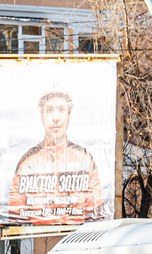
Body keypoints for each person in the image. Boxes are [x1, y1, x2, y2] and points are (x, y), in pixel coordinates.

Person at [7, 90, 108, 224]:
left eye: (61, 110)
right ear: (42, 117)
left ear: (68, 115)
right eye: (49, 110)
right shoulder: (27, 162)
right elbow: (15, 216)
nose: (56, 117)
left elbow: (96, 214)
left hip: (78, 240)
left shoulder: (84, 159)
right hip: (37, 240)